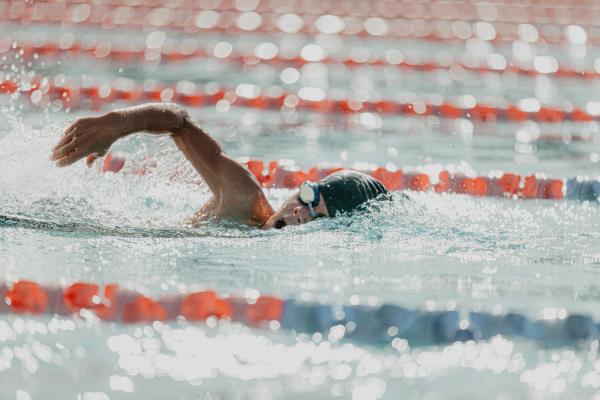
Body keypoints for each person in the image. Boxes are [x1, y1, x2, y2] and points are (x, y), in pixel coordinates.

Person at [51, 103, 390, 229]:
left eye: (319, 216)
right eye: (308, 196)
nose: (301, 211)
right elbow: (180, 122)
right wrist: (115, 124)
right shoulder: (243, 199)